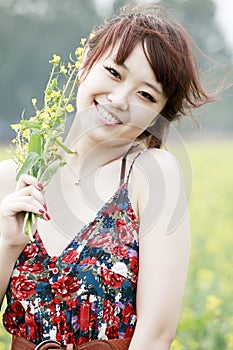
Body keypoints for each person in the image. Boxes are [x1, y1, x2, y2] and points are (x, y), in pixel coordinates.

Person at [0, 5, 213, 350]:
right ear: (86, 62)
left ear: (159, 114)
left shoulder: (151, 175)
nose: (119, 99)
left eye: (145, 95)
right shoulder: (17, 177)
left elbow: (156, 334)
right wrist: (8, 245)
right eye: (114, 72)